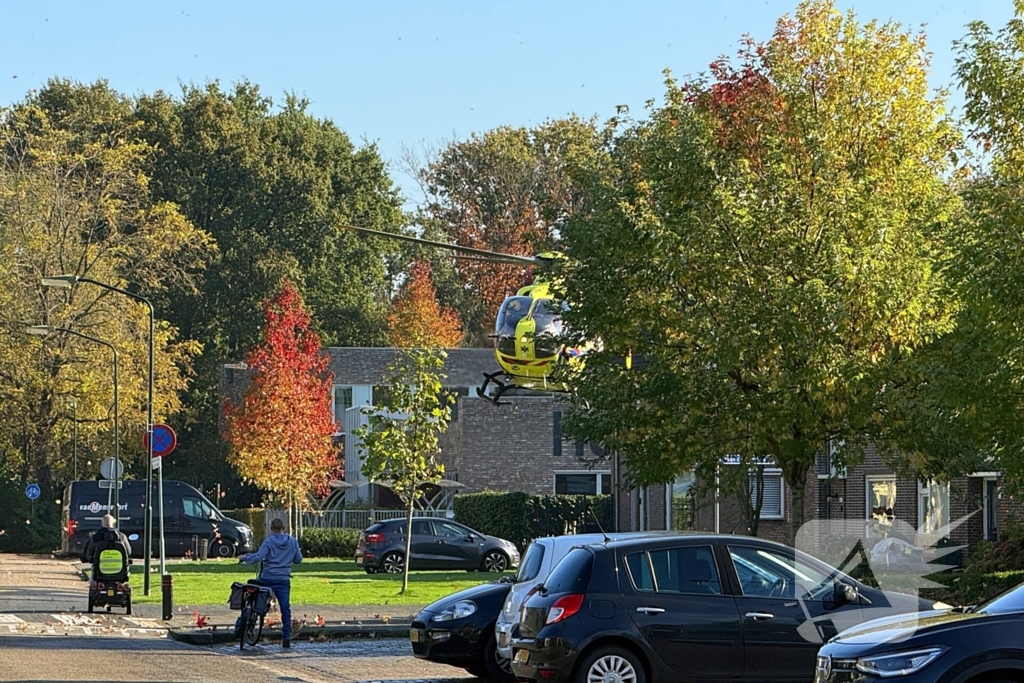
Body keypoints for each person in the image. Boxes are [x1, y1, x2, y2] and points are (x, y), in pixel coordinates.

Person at [239, 518, 302, 648]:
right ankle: (286, 638)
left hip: (267, 578)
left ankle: (249, 622)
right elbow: (298, 559)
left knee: (255, 600)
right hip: (283, 580)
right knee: (285, 608)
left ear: (271, 528)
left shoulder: (269, 542)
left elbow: (258, 557)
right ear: (283, 527)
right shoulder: (293, 541)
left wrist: (245, 558)